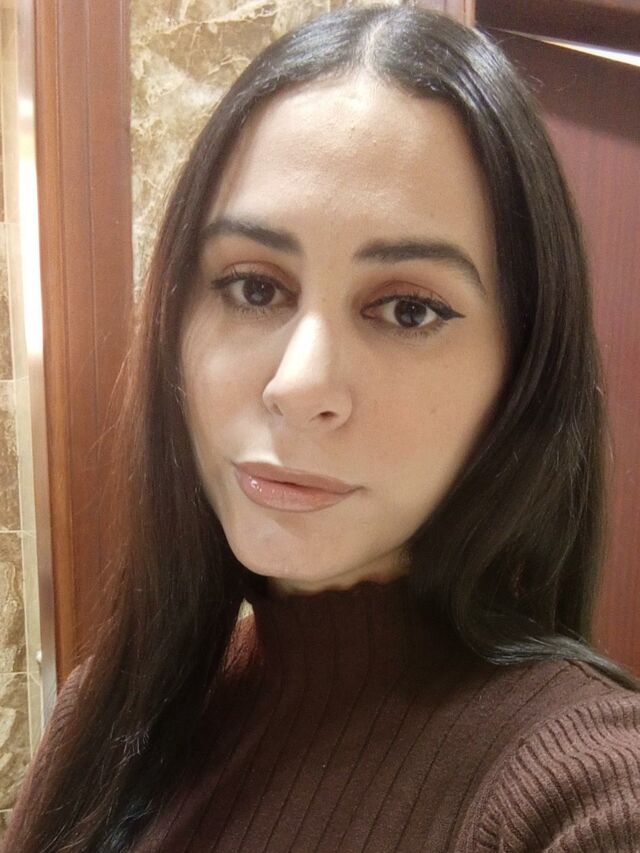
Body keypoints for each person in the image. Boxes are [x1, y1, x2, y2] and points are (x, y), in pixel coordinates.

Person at [4, 5, 640, 852]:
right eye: (255, 287)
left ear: (521, 372)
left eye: (408, 309)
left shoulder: (576, 788)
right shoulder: (108, 713)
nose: (298, 386)